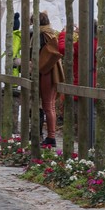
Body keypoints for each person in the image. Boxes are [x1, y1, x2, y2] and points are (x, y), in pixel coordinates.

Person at [32, 11, 64, 148]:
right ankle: (51, 136)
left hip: (46, 72)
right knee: (49, 105)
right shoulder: (50, 33)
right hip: (51, 71)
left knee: (47, 105)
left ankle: (51, 137)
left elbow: (39, 55)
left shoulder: (41, 35)